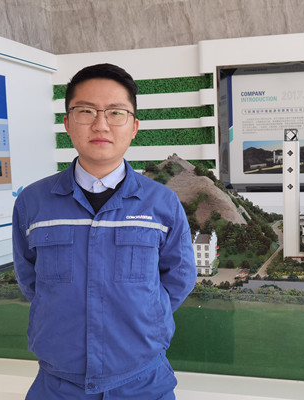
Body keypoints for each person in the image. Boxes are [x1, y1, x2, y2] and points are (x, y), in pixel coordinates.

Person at [12, 63, 197, 399]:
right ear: (67, 123)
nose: (100, 124)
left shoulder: (162, 203)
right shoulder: (33, 202)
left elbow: (179, 277)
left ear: (134, 126)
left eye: (115, 112)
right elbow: (30, 280)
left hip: (143, 382)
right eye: (86, 111)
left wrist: (145, 316)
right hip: (58, 385)